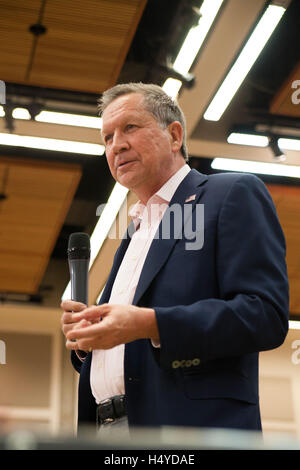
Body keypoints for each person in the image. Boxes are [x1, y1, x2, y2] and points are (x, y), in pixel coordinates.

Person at [61, 83, 289, 434]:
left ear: (174, 135)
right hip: (107, 429)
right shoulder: (135, 231)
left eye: (130, 128)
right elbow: (130, 354)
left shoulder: (229, 195)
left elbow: (264, 314)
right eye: (107, 138)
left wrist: (150, 324)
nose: (116, 145)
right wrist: (90, 344)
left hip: (188, 429)